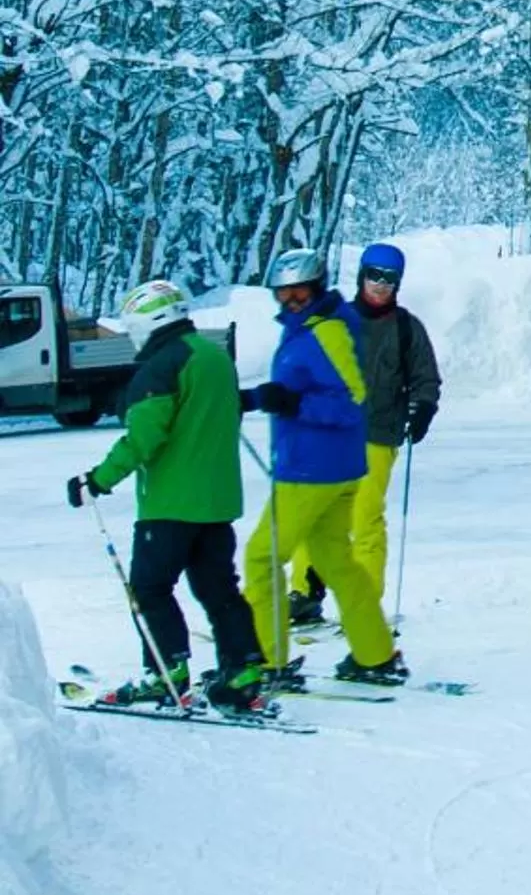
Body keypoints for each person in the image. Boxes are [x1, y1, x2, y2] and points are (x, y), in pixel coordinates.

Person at [67, 279, 268, 710]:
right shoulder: (215, 357)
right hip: (217, 504)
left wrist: (96, 480)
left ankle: (166, 673)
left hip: (170, 506)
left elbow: (142, 439)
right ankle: (243, 669)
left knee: (150, 588)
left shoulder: (160, 367)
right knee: (219, 590)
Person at [240, 249, 405, 688]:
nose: (292, 301)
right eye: (284, 293)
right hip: (329, 467)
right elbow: (301, 387)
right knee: (337, 562)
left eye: (300, 292)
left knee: (261, 558)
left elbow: (351, 399)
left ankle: (266, 661)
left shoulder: (327, 330)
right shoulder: (310, 328)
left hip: (311, 471)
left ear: (317, 288)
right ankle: (375, 654)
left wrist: (293, 404)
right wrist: (255, 399)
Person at [292, 241, 439, 629]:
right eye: (374, 276)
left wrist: (423, 409)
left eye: (390, 279)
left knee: (364, 518)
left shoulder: (407, 329)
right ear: (361, 275)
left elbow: (427, 378)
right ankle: (305, 595)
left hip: (377, 434)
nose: (381, 285)